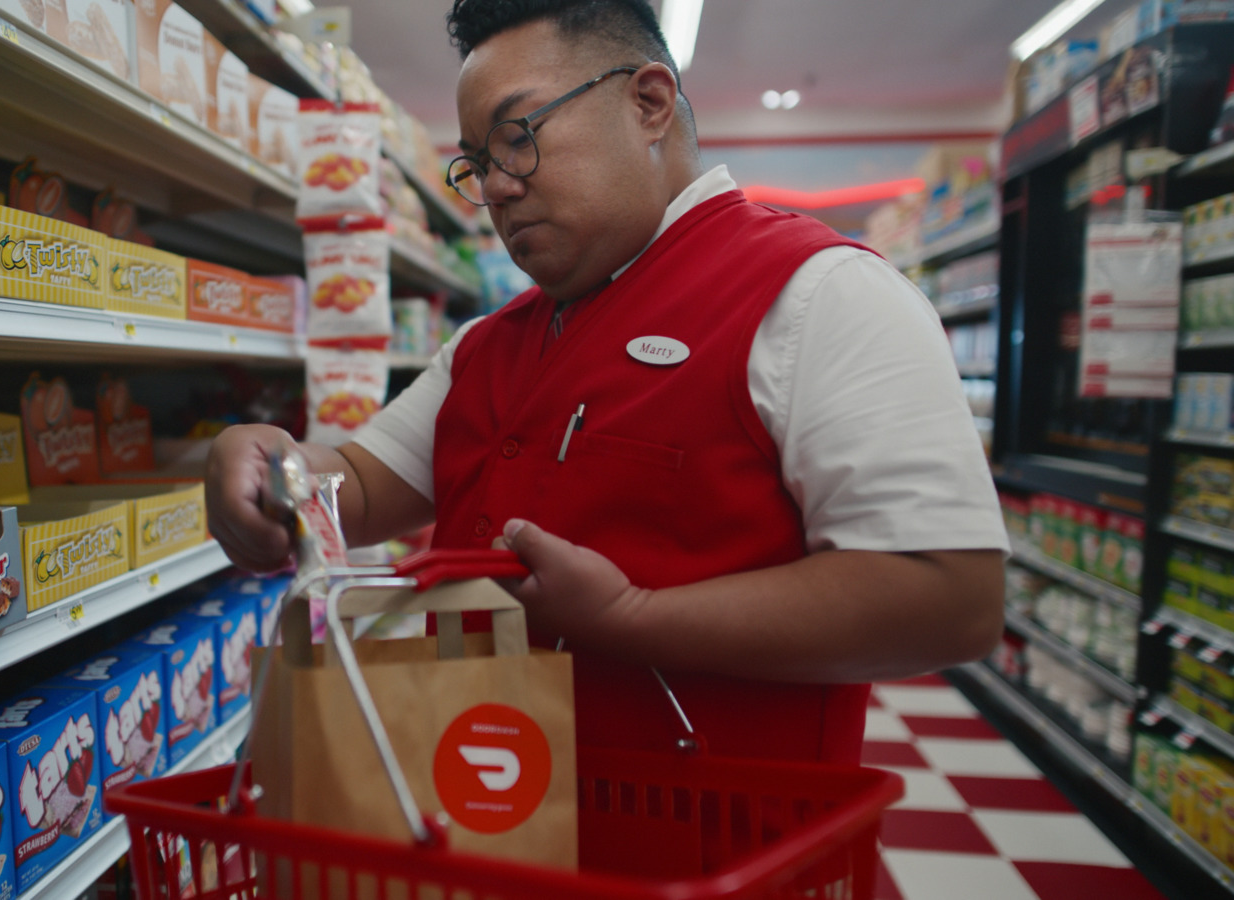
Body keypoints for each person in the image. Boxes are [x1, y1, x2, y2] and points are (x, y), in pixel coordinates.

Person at [207, 0, 1007, 764]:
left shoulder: (821, 295)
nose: (497, 189)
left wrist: (634, 617)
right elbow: (357, 483)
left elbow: (952, 597)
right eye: (477, 164)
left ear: (650, 102)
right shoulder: (488, 346)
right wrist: (269, 465)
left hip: (714, 847)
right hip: (487, 822)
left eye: (518, 137)